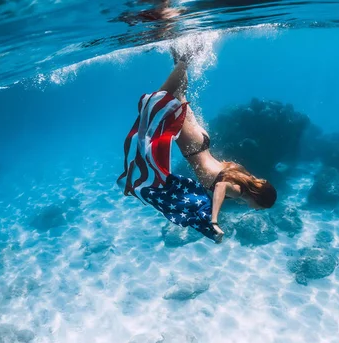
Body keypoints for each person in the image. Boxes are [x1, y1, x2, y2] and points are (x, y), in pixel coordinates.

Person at [118, 48, 276, 243]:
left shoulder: (243, 178)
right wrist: (214, 220)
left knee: (178, 94)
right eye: (260, 207)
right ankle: (185, 59)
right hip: (193, 147)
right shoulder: (237, 190)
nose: (256, 210)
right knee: (163, 99)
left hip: (201, 141)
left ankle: (181, 56)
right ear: (258, 198)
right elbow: (220, 186)